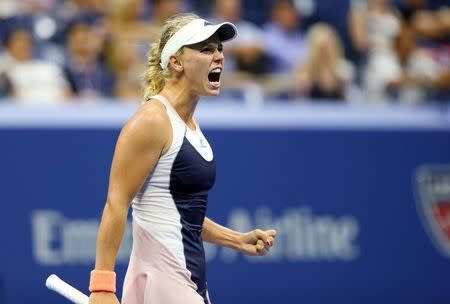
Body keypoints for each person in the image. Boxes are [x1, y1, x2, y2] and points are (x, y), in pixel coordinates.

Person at [88, 13, 277, 304]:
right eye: (206, 50)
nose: (218, 57)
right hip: (164, 282)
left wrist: (236, 239)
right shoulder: (152, 121)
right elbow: (116, 204)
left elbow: (181, 215)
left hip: (184, 282)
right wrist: (101, 288)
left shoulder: (188, 125)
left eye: (219, 49)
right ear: (176, 61)